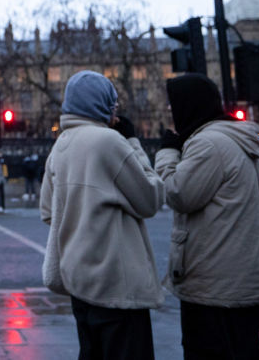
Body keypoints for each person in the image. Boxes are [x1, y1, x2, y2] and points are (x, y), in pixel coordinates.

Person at [41, 71, 163, 360]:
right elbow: (151, 199)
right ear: (101, 105)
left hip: (79, 283)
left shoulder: (60, 145)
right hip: (117, 286)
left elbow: (48, 211)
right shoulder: (109, 142)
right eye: (113, 105)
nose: (116, 112)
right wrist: (133, 142)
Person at [156, 73, 259, 360]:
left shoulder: (209, 144)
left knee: (212, 350)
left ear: (190, 104)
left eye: (174, 106)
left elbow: (178, 194)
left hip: (216, 283)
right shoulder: (231, 138)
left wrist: (166, 153)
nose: (171, 113)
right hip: (236, 277)